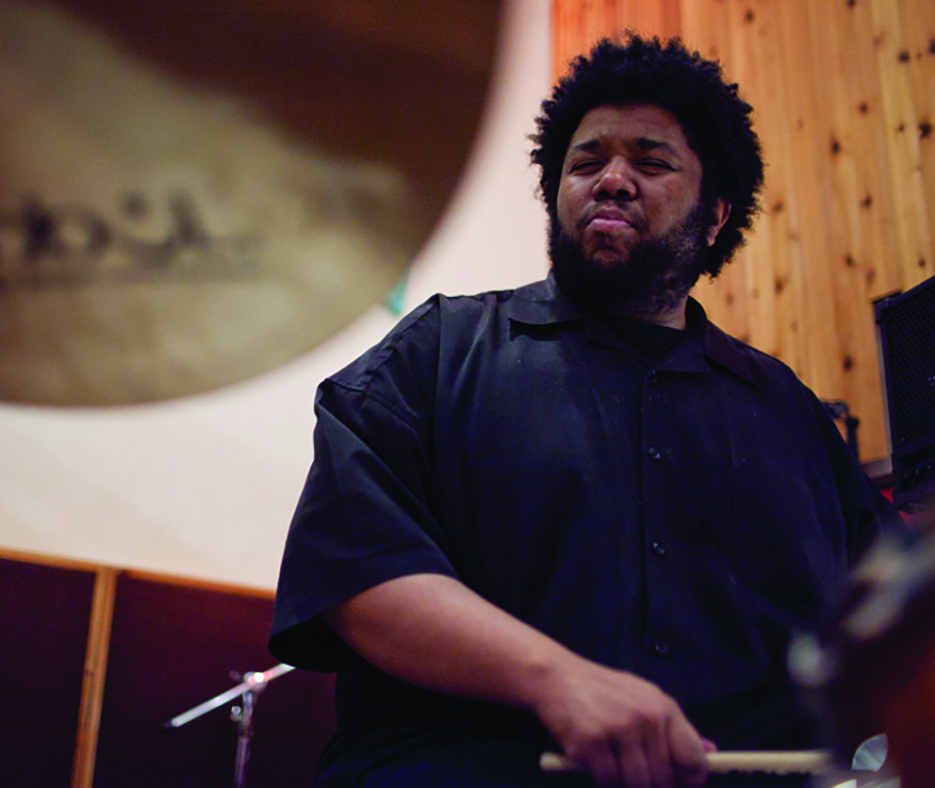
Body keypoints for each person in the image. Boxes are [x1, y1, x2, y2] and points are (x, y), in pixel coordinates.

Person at [268, 36, 899, 788]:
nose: (612, 180)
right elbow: (355, 575)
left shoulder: (790, 412)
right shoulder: (436, 350)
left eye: (651, 162)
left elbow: (888, 620)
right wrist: (556, 679)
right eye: (586, 162)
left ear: (714, 215)